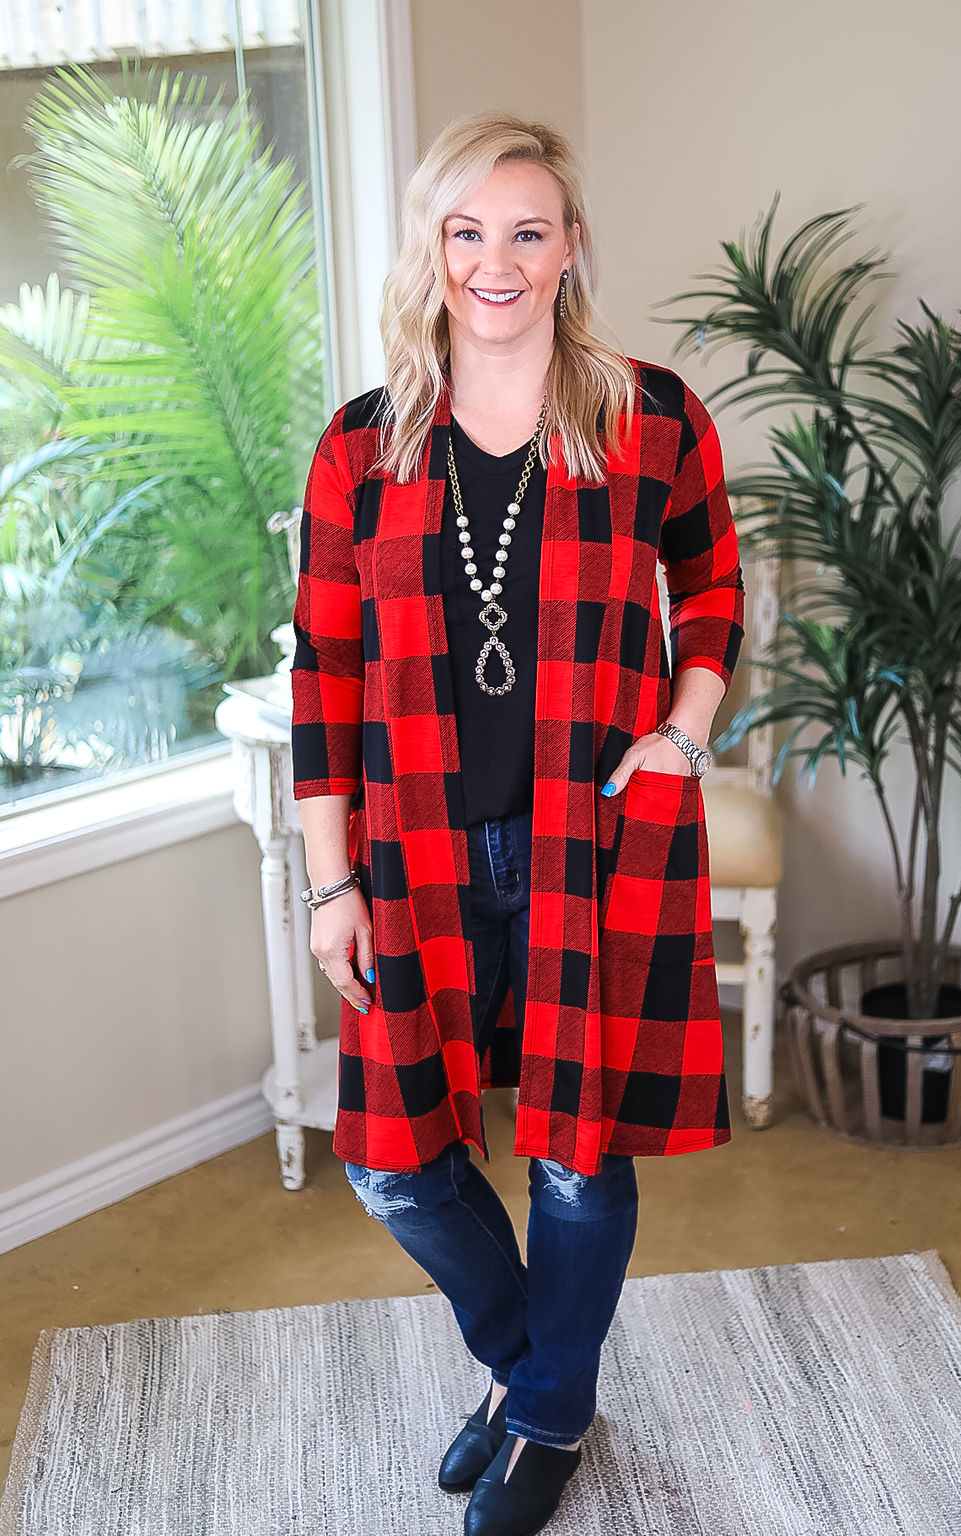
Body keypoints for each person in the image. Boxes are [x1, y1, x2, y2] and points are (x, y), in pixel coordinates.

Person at [291, 110, 744, 1536]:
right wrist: (331, 885)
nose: (497, 260)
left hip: (590, 840)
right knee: (390, 1161)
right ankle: (536, 1377)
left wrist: (684, 735)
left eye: (528, 231)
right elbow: (325, 673)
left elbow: (713, 584)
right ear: (431, 249)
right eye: (467, 231)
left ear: (570, 247)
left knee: (573, 1151)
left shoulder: (650, 415)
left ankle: (541, 1419)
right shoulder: (360, 447)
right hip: (413, 856)